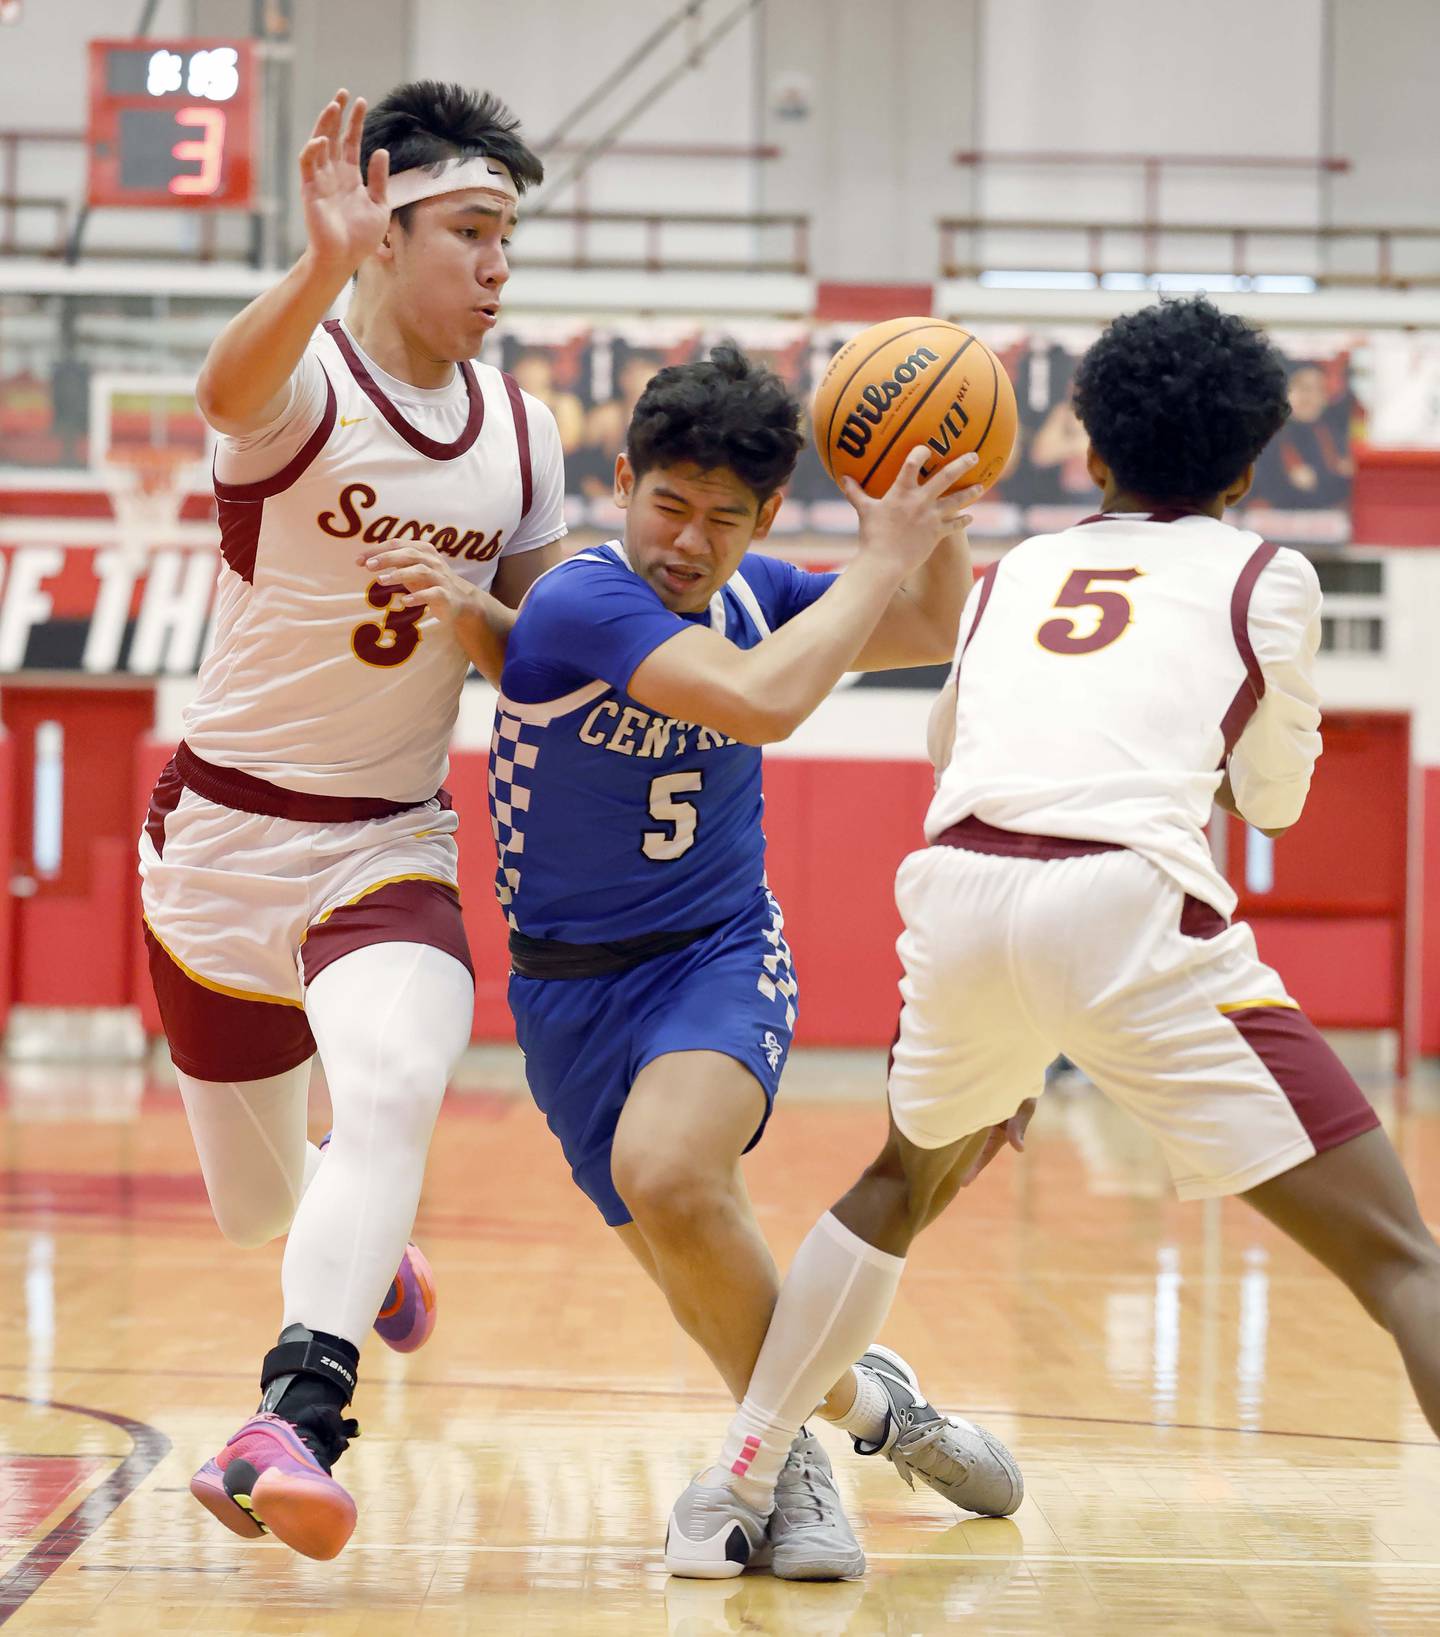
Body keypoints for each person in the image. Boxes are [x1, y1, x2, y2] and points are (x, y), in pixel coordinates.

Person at [666, 294, 1440, 1575]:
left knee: (896, 1186)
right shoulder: (1267, 573)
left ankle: (735, 1484)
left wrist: (1023, 1025)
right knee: (1405, 1257)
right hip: (1122, 902)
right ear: (1249, 470)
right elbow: (1275, 799)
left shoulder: (1022, 567)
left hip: (963, 887)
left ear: (1089, 454)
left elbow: (943, 746)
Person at [371, 344, 1023, 1584]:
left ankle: (784, 1469)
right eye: (669, 504)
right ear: (622, 484)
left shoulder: (760, 589)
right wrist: (880, 550)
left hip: (715, 949)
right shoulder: (578, 597)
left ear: (767, 517)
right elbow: (758, 702)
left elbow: (937, 621)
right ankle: (881, 1409)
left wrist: (925, 502)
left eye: (727, 517)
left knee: (671, 1170)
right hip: (564, 992)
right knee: (706, 1271)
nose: (689, 540)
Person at [138, 81, 568, 1561]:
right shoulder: (307, 384)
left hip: (389, 840)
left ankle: (295, 1415)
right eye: (470, 231)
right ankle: (356, 1239)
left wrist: (505, 618)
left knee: (392, 1086)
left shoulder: (524, 431)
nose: (499, 267)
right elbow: (221, 392)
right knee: (259, 1207)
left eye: (511, 236)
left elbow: (547, 651)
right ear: (384, 232)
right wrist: (313, 265)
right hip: (222, 843)